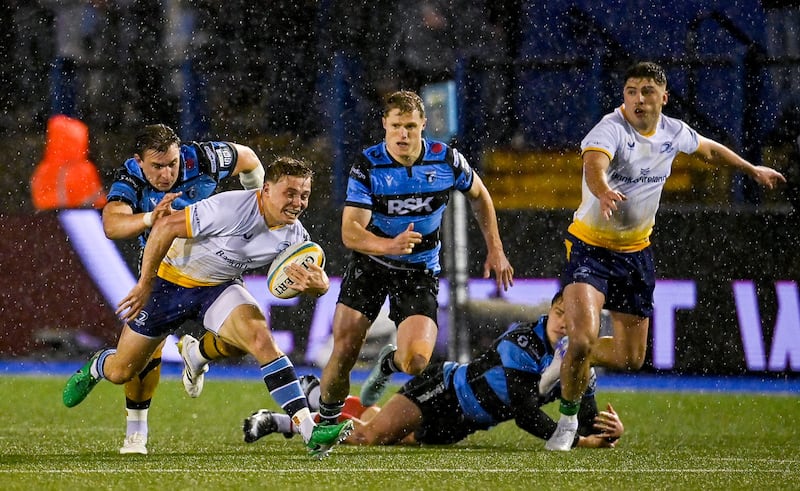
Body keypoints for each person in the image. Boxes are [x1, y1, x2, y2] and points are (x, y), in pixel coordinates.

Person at [544, 61, 787, 451]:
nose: (638, 100)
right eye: (631, 91)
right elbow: (594, 165)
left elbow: (709, 150)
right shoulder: (610, 129)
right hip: (590, 246)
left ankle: (568, 353)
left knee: (629, 358)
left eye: (647, 92)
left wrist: (750, 168)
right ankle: (569, 422)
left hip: (636, 252)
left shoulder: (673, 131)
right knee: (585, 336)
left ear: (663, 97)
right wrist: (604, 190)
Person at [63, 157, 354, 459]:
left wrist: (317, 285)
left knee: (259, 339)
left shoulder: (295, 236)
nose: (298, 203)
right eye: (290, 193)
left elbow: (309, 284)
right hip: (168, 284)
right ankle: (99, 365)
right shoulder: (230, 208)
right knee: (121, 371)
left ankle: (308, 429)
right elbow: (165, 227)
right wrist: (145, 283)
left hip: (218, 287)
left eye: (304, 195)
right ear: (266, 189)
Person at [318, 90, 514, 426]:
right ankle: (326, 421)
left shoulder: (447, 160)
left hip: (419, 269)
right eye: (396, 126)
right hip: (371, 264)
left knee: (417, 362)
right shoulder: (368, 165)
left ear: (424, 124)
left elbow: (480, 195)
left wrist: (495, 248)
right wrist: (388, 246)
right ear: (384, 124)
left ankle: (388, 363)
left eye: (410, 126)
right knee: (345, 347)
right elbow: (350, 233)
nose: (403, 134)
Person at [244, 292, 624, 449]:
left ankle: (317, 397)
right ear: (550, 310)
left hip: (463, 423)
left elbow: (587, 419)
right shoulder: (524, 343)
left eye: (572, 320)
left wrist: (609, 432)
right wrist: (576, 442)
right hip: (442, 390)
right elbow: (525, 414)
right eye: (559, 313)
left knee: (382, 430)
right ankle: (281, 422)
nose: (563, 323)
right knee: (369, 438)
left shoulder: (578, 364)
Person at [101, 123, 264, 455]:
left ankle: (197, 354)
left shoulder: (204, 158)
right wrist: (150, 219)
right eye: (157, 166)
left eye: (172, 164)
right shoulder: (130, 179)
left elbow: (248, 159)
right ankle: (136, 431)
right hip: (164, 270)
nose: (166, 173)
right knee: (130, 366)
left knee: (241, 341)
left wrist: (256, 205)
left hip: (214, 266)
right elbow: (112, 224)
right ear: (140, 161)